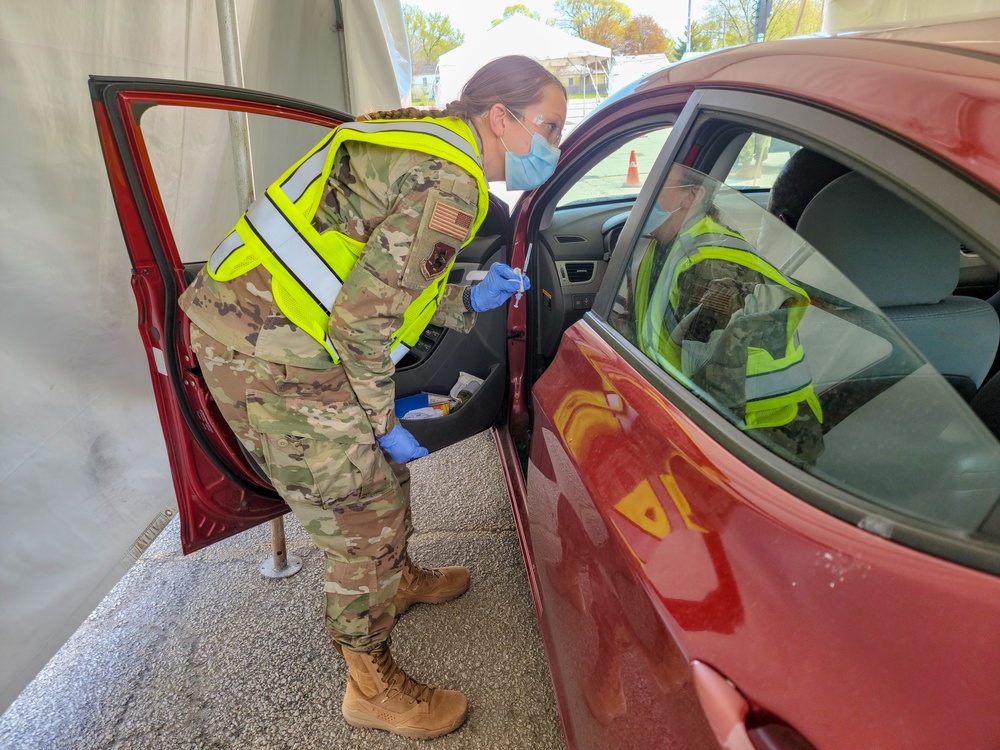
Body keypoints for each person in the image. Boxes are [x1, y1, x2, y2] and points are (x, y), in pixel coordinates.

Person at [178, 55, 567, 740]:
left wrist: (462, 297)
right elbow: (363, 324)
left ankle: (399, 578)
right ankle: (370, 685)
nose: (553, 147)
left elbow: (371, 283)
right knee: (365, 514)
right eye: (549, 127)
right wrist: (381, 421)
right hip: (266, 347)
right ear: (500, 118)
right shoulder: (451, 185)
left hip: (264, 320)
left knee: (381, 480)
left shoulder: (423, 136)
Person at [614, 163, 824, 464]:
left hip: (768, 445)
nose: (643, 196)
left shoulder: (710, 269)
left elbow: (715, 401)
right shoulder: (665, 246)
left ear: (692, 195)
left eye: (658, 186)